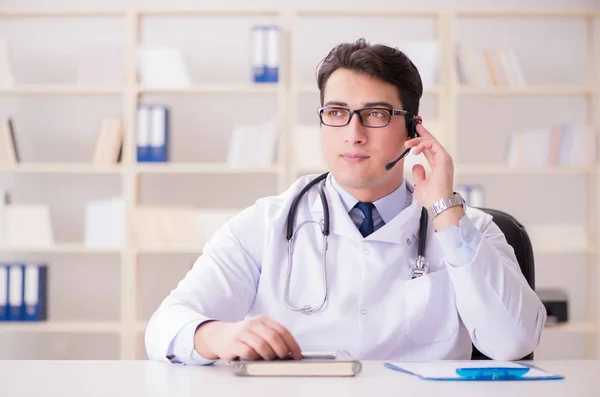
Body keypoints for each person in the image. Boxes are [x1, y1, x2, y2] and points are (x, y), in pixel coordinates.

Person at [144, 38, 546, 365]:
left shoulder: (465, 226)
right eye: (336, 112)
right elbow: (165, 326)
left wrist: (446, 213)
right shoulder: (264, 224)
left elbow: (512, 342)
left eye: (374, 114)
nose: (352, 134)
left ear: (413, 127)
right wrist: (217, 334)